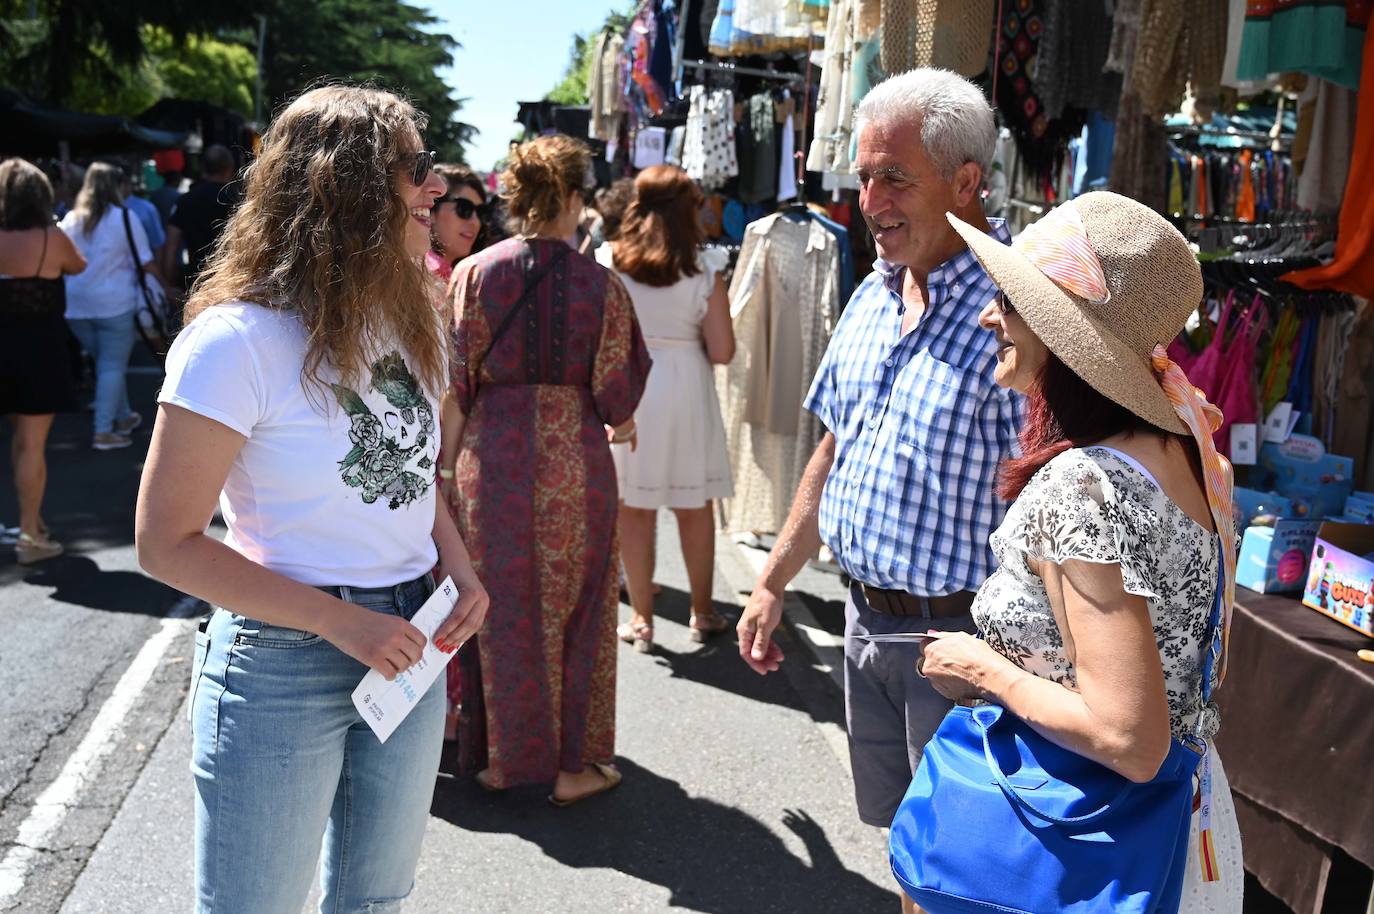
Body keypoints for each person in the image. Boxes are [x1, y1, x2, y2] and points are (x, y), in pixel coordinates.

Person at [134, 85, 490, 913]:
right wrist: (340, 622)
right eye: (418, 169)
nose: (435, 189)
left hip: (411, 640)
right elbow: (165, 542)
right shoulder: (235, 342)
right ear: (349, 186)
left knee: (376, 901)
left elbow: (414, 475)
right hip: (282, 662)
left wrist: (459, 572)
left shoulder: (414, 319)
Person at [733, 69, 1024, 913]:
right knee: (907, 851)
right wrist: (772, 581)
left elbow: (1053, 505)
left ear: (966, 182)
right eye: (863, 177)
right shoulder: (871, 293)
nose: (870, 199)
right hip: (866, 628)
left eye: (894, 176)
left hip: (966, 648)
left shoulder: (1017, 315)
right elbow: (834, 451)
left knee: (962, 871)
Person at [918, 191, 1243, 910]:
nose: (986, 312)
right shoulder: (1186, 459)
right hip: (1171, 831)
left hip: (1070, 850)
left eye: (1008, 296)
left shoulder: (1084, 484)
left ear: (1063, 331)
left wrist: (981, 668)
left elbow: (1128, 737)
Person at [444, 134, 650, 805]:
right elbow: (618, 396)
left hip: (491, 456)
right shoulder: (601, 286)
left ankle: (500, 761)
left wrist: (447, 472)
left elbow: (458, 380)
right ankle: (571, 768)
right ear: (569, 198)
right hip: (573, 463)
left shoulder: (474, 274)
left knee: (495, 610)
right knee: (580, 613)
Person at [594, 164, 735, 653]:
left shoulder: (609, 258)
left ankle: (641, 619)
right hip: (686, 387)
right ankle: (703, 611)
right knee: (694, 507)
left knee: (634, 508)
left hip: (632, 386)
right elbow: (722, 350)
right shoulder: (707, 264)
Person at [426, 161, 489, 740]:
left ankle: (444, 711)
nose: (473, 220)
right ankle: (440, 714)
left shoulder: (454, 274)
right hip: (432, 457)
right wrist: (443, 463)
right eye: (461, 208)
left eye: (479, 210)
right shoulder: (432, 276)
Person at [0, 158, 86, 564]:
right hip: (37, 353)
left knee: (19, 442)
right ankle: (30, 533)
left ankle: (27, 522)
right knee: (31, 445)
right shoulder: (51, 238)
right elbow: (78, 265)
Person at [58, 162, 168, 451]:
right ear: (117, 186)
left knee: (106, 365)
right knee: (111, 366)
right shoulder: (124, 217)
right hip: (114, 303)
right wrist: (168, 289)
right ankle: (104, 431)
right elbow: (145, 262)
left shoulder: (71, 219)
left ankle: (124, 415)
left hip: (77, 305)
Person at [163, 144, 239, 289]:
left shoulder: (185, 200)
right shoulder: (239, 200)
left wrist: (169, 287)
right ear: (230, 168)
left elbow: (171, 247)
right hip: (232, 282)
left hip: (197, 282)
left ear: (203, 169)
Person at [425, 162, 489, 292]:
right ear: (431, 210)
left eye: (481, 212)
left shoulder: (466, 277)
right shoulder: (415, 274)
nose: (476, 222)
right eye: (464, 208)